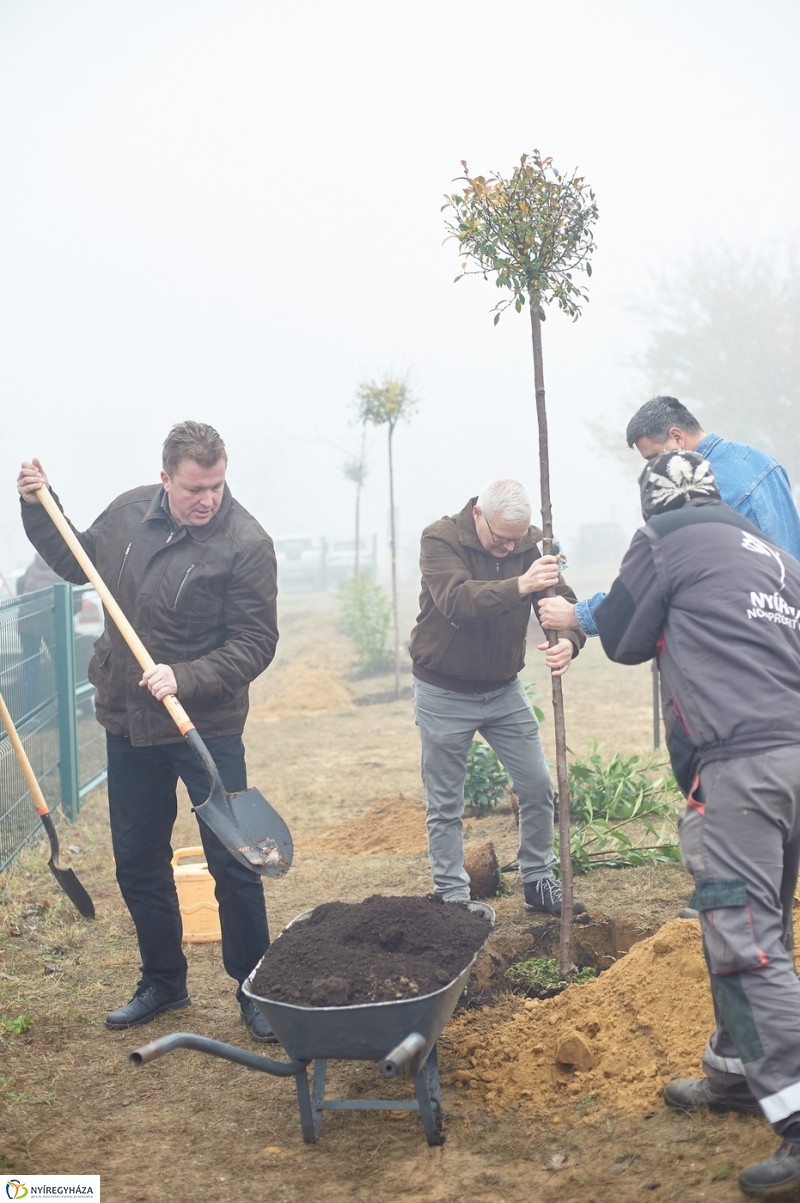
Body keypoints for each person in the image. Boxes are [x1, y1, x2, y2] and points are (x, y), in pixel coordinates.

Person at [16, 422, 279, 1041]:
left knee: (236, 862)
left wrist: (184, 676)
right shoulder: (129, 513)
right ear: (166, 479)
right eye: (194, 488)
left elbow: (255, 642)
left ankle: (255, 989)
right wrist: (37, 508)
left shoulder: (245, 543)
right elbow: (74, 560)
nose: (207, 500)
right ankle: (163, 982)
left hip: (204, 725)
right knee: (138, 860)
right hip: (127, 720)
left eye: (216, 486)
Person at [594, 449, 800, 1198]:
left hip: (739, 771)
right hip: (793, 761)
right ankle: (738, 1071)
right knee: (759, 919)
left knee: (748, 945)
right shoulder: (773, 554)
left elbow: (620, 635)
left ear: (655, 507)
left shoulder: (661, 542)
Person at [409, 479, 586, 915]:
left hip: (504, 689)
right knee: (446, 802)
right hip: (443, 689)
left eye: (518, 538)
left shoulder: (531, 543)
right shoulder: (440, 538)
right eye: (502, 539)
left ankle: (539, 880)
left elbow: (563, 601)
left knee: (537, 784)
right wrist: (521, 585)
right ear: (478, 516)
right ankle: (452, 894)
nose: (511, 547)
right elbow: (456, 601)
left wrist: (569, 639)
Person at [538, 395, 800, 637]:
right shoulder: (762, 461)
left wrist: (576, 614)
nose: (653, 469)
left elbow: (653, 584)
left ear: (677, 437)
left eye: (653, 457)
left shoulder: (695, 493)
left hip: (743, 637)